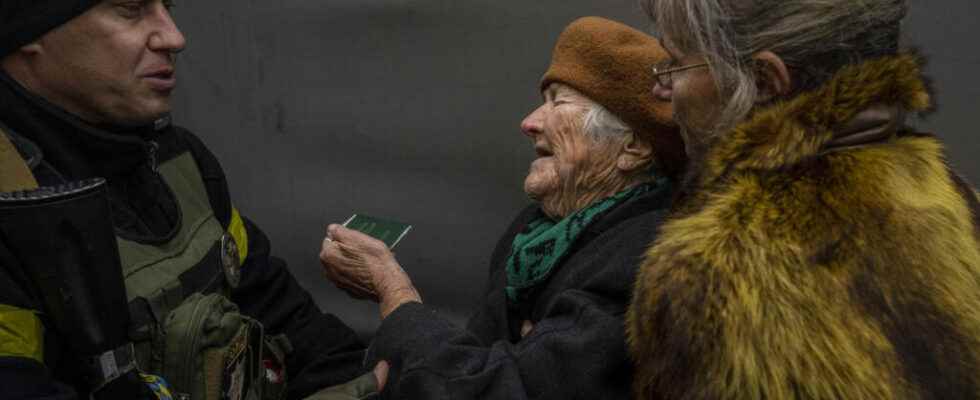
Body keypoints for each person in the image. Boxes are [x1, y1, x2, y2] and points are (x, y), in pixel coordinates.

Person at [0, 1, 373, 399]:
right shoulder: (15, 209)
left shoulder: (174, 160)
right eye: (131, 9)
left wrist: (372, 380)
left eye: (167, 6)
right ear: (29, 35)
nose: (174, 37)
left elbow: (290, 322)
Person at [627, 0, 980, 398]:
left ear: (762, 81)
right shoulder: (956, 200)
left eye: (674, 63)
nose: (660, 87)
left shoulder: (715, 267)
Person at [319, 16, 686, 399]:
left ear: (633, 148)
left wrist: (393, 291)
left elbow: (501, 390)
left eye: (558, 102)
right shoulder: (536, 233)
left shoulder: (648, 257)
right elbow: (479, 362)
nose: (529, 122)